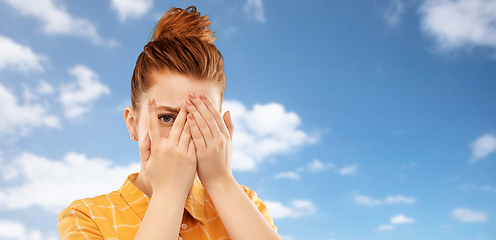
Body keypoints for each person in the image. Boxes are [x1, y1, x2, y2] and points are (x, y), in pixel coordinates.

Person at [57, 6, 282, 240]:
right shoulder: (87, 217)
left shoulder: (246, 204)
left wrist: (220, 180)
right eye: (167, 117)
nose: (183, 133)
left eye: (201, 118)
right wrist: (169, 193)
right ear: (132, 124)